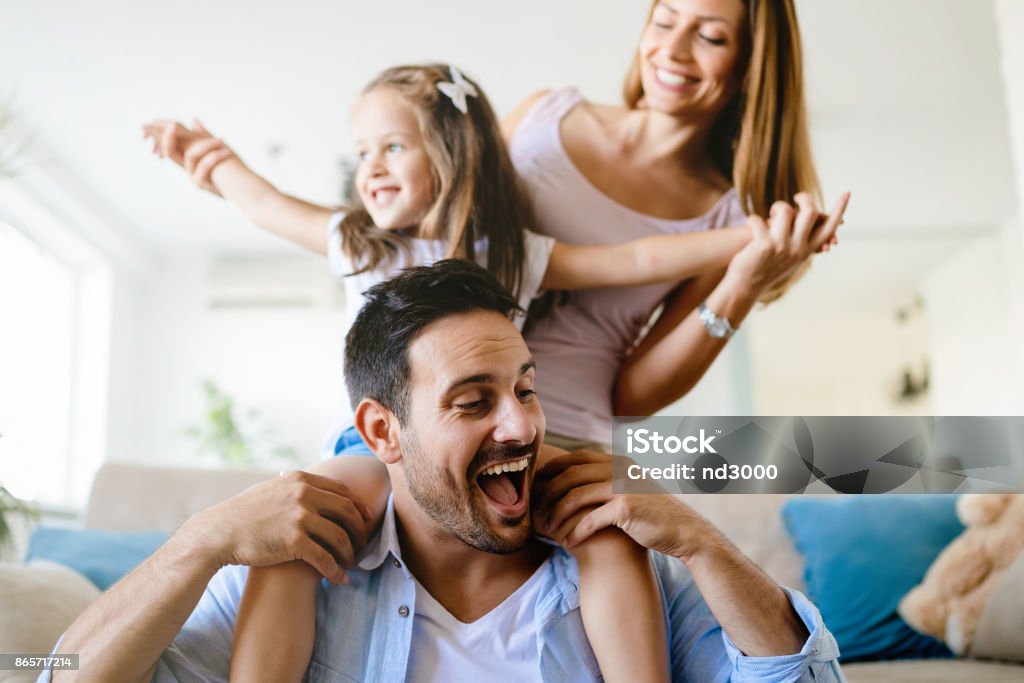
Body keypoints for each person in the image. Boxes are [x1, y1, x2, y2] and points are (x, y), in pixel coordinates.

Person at [143, 63, 842, 682]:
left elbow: (632, 262)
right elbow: (264, 203)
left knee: (605, 530)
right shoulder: (355, 241)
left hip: (520, 453)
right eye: (362, 151)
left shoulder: (512, 250)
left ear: (448, 154)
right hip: (371, 454)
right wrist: (212, 161)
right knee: (296, 531)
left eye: (392, 146)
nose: (371, 167)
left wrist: (760, 239)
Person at [45, 260, 843, 682]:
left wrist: (703, 543)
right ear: (382, 430)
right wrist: (198, 541)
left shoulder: (619, 557)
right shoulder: (297, 559)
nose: (523, 423)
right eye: (473, 401)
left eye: (526, 388)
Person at [501, 0, 837, 449]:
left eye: (710, 37)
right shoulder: (540, 116)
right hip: (439, 406)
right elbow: (445, 238)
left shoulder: (728, 218)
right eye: (664, 22)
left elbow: (631, 399)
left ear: (751, 65)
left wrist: (741, 287)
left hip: (562, 437)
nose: (673, 49)